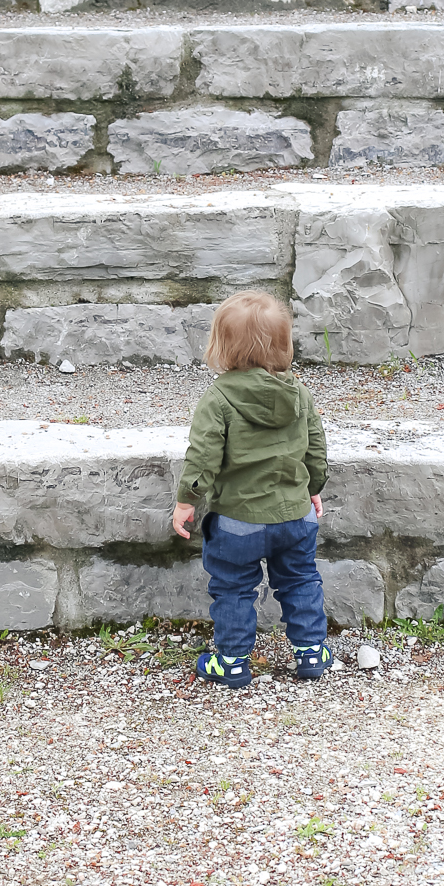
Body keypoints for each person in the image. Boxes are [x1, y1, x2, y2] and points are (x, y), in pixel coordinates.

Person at [171, 290, 332, 690]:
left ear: (222, 346)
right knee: (300, 580)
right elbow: (316, 447)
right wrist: (313, 488)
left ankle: (231, 660)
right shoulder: (299, 394)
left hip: (238, 522)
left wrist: (186, 500)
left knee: (234, 589)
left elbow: (203, 456)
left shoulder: (219, 397)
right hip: (296, 517)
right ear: (283, 344)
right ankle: (311, 652)